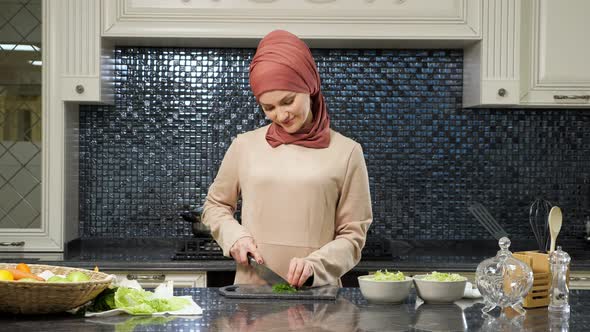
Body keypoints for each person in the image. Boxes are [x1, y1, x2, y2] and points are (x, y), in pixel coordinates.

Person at [202, 29, 372, 288]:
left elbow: (353, 236)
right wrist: (234, 237)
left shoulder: (347, 152)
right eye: (268, 108)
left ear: (309, 88)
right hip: (251, 295)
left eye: (288, 101)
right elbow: (215, 206)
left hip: (317, 298)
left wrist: (316, 265)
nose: (280, 115)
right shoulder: (244, 146)